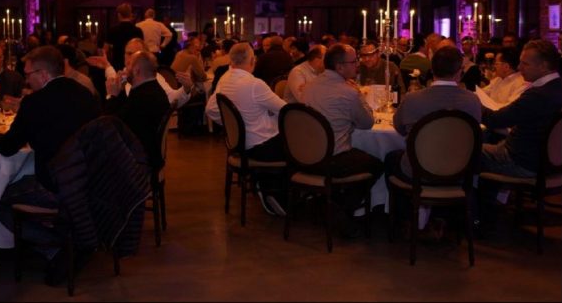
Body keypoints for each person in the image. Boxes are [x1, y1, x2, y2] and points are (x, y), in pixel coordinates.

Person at [0, 46, 100, 283]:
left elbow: (8, 147)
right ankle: (69, 238)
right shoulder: (85, 93)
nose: (27, 80)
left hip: (55, 185)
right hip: (91, 179)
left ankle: (56, 247)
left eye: (28, 74)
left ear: (43, 74)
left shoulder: (35, 102)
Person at [304, 44, 384, 234]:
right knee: (377, 164)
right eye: (353, 61)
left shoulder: (308, 87)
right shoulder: (348, 92)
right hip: (333, 159)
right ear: (340, 67)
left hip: (306, 156)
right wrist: (359, 95)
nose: (358, 64)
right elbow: (367, 123)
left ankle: (329, 203)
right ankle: (343, 208)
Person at [205, 42, 287, 216]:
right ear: (252, 60)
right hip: (260, 147)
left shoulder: (225, 79)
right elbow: (286, 110)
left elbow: (210, 110)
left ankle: (263, 183)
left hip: (238, 145)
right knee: (297, 147)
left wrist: (233, 126)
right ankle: (275, 192)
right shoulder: (255, 84)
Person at [387, 46, 482, 179]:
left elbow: (399, 129)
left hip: (418, 170)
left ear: (432, 70)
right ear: (459, 72)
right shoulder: (472, 100)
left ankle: (404, 193)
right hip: (459, 170)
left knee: (390, 157)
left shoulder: (412, 99)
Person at [482, 40, 562, 179]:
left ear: (544, 66)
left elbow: (495, 120)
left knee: (466, 150)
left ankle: (472, 192)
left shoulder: (537, 95)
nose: (519, 68)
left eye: (525, 64)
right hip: (552, 164)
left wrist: (472, 103)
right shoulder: (558, 86)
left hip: (522, 162)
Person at [104, 51, 170, 169]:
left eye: (128, 65)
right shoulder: (150, 90)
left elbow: (111, 126)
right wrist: (121, 91)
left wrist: (111, 95)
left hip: (137, 160)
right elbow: (125, 113)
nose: (125, 69)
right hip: (146, 152)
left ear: (136, 70)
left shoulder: (143, 97)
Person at [87, 37, 194, 108]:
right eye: (128, 53)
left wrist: (186, 88)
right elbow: (115, 79)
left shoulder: (151, 78)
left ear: (144, 58)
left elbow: (172, 99)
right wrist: (107, 66)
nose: (131, 58)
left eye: (136, 55)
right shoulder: (123, 75)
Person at [107, 2, 144, 71]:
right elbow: (142, 50)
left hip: (117, 64)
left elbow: (106, 49)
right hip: (134, 64)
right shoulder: (138, 31)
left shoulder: (113, 30)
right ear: (130, 15)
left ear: (119, 15)